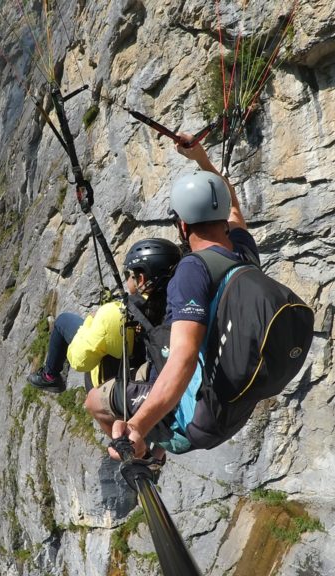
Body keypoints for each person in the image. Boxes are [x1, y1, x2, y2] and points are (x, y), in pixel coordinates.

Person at [85, 136, 259, 460]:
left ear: (181, 223)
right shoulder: (245, 254)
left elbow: (183, 357)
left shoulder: (191, 272)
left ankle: (149, 456)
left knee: (95, 400)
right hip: (238, 401)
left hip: (195, 419)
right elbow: (233, 206)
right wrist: (201, 159)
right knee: (138, 373)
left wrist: (137, 427)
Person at [26, 238, 182, 393]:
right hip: (145, 375)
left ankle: (49, 376)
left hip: (109, 388)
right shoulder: (174, 304)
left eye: (129, 274)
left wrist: (92, 322)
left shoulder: (114, 315)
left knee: (62, 321)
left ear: (141, 280)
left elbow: (79, 361)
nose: (126, 278)